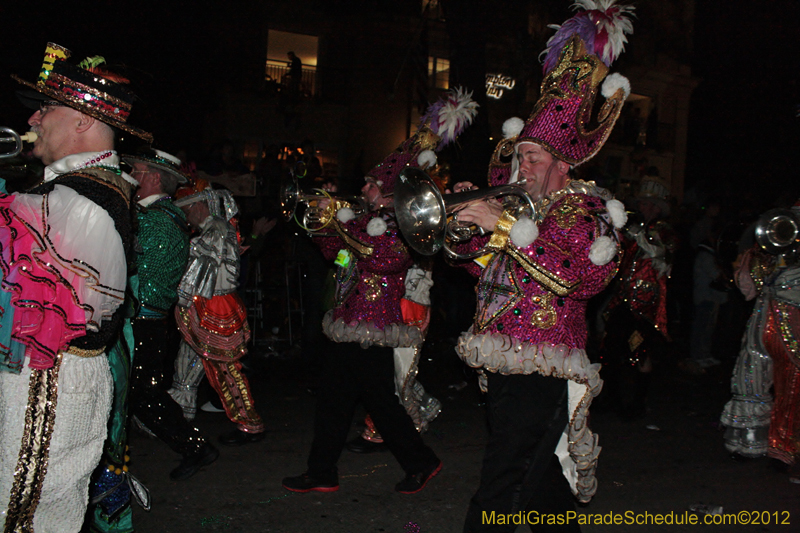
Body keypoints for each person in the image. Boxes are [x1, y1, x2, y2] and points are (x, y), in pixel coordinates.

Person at [448, 4, 633, 530]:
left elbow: (577, 276)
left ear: (563, 163)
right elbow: (488, 274)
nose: (520, 167)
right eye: (518, 156)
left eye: (532, 158)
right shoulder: (520, 208)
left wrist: (500, 227)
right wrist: (465, 231)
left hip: (546, 362)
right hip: (505, 356)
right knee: (541, 478)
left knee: (503, 480)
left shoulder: (588, 209)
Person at [282, 87, 478, 494]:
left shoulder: (403, 225)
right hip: (350, 320)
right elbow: (337, 252)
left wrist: (340, 222)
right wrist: (322, 224)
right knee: (337, 400)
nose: (364, 189)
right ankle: (323, 471)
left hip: (374, 324)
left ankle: (420, 461)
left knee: (380, 403)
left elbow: (382, 259)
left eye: (370, 185)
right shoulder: (360, 220)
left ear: (388, 193)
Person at [0, 43, 148, 532]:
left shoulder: (78, 201)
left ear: (83, 121)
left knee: (22, 516)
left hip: (46, 384)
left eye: (48, 108)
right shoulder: (70, 192)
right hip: (47, 379)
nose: (36, 117)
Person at [170, 186, 266, 445]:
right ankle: (178, 414)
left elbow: (194, 269)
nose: (186, 215)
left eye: (188, 209)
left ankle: (249, 423)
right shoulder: (213, 230)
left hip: (215, 307)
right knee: (188, 362)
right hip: (203, 305)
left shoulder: (215, 232)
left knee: (224, 369)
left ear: (199, 206)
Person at [721, 203, 800, 476]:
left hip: (792, 321)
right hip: (763, 318)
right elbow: (748, 288)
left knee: (790, 385)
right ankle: (749, 440)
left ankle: (783, 449)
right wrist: (756, 257)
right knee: (749, 375)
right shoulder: (783, 225)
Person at [598, 174, 678, 420]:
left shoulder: (664, 231)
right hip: (623, 299)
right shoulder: (634, 230)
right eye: (641, 203)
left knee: (641, 352)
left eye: (646, 204)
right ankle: (612, 398)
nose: (641, 207)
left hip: (646, 304)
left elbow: (663, 254)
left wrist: (638, 236)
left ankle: (638, 403)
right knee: (610, 349)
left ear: (655, 207)